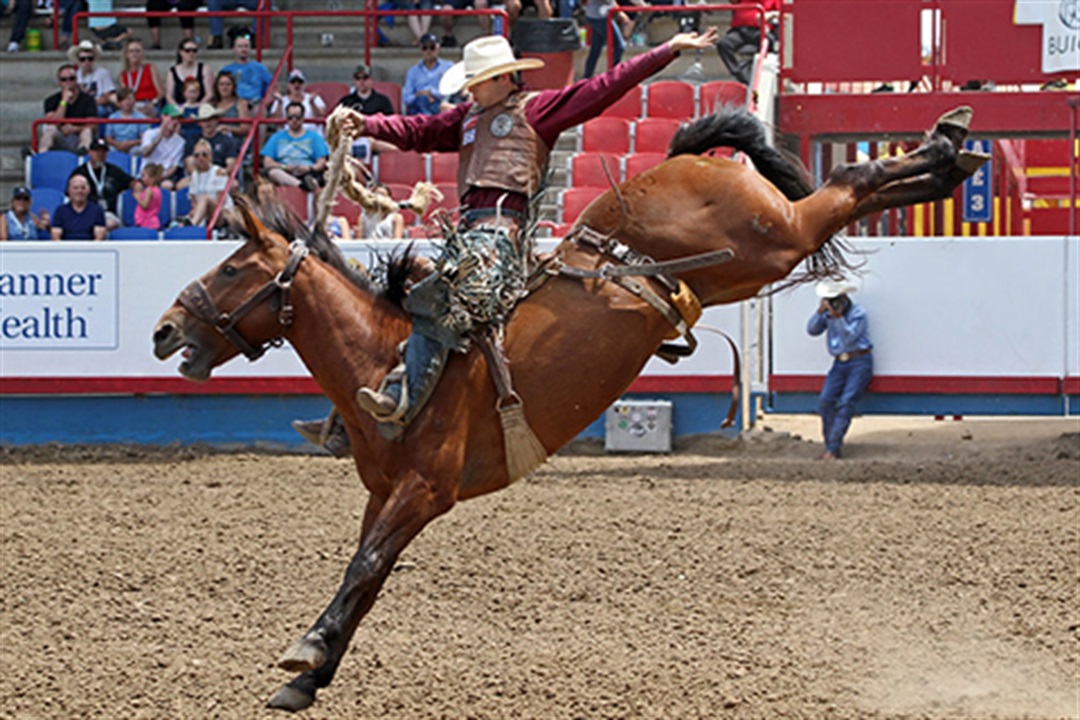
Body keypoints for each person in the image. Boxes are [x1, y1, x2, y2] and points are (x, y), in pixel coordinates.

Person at [294, 28, 718, 452]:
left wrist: (664, 51)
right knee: (401, 297)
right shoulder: (466, 119)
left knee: (434, 297)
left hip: (500, 238)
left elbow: (602, 88)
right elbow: (417, 129)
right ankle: (349, 419)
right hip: (469, 239)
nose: (470, 91)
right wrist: (366, 123)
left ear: (501, 79)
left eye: (476, 82)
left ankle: (394, 403)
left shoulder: (538, 110)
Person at [806, 278, 873, 460]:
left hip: (859, 360)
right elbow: (812, 330)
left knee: (846, 402)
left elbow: (849, 338)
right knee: (826, 400)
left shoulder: (858, 312)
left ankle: (832, 448)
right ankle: (831, 446)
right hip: (840, 362)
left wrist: (838, 318)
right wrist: (820, 312)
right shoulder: (828, 313)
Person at [261, 101, 330, 191]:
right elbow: (267, 162)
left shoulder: (315, 137)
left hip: (308, 172)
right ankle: (302, 185)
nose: (294, 120)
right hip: (285, 172)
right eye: (290, 117)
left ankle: (307, 184)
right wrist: (284, 167)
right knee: (274, 173)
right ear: (286, 118)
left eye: (297, 117)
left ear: (303, 118)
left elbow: (321, 162)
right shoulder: (276, 137)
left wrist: (309, 168)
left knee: (321, 177)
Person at [69, 137, 131, 229]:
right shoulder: (80, 172)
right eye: (97, 151)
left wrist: (136, 186)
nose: (100, 154)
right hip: (85, 213)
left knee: (110, 223)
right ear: (90, 152)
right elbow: (70, 194)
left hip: (108, 214)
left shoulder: (113, 171)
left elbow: (131, 182)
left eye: (103, 152)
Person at [715, 0, 778, 85]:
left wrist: (769, 15)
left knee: (769, 42)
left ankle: (764, 75)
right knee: (723, 44)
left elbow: (784, 14)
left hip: (759, 30)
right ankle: (741, 75)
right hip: (739, 30)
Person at [39, 63, 97, 153]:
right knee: (50, 130)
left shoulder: (88, 99)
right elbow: (53, 122)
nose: (68, 82)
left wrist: (74, 129)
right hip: (59, 136)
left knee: (87, 132)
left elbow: (93, 125)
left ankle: (83, 155)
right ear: (59, 82)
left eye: (71, 79)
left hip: (78, 136)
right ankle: (42, 155)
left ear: (76, 80)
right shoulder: (51, 100)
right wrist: (64, 101)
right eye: (64, 79)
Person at [180, 103, 238, 179]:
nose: (207, 123)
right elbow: (189, 163)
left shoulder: (227, 140)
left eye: (210, 119)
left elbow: (231, 163)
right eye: (204, 120)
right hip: (198, 175)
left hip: (219, 176)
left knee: (234, 185)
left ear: (216, 120)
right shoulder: (192, 140)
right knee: (181, 185)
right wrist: (198, 176)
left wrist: (223, 172)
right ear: (199, 123)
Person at [401, 33, 452, 116]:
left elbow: (450, 90)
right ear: (421, 50)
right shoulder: (413, 71)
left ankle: (427, 123)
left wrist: (431, 93)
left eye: (432, 47)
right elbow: (407, 98)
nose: (428, 51)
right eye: (425, 48)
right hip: (418, 106)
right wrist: (419, 95)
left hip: (439, 105)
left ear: (438, 48)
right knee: (421, 100)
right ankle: (429, 123)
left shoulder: (447, 67)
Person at [136, 105, 186, 188]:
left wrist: (159, 177)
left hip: (165, 176)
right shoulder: (150, 133)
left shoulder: (180, 142)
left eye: (178, 119)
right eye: (173, 118)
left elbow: (174, 167)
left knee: (167, 185)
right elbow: (145, 153)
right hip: (146, 174)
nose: (175, 122)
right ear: (163, 117)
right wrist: (159, 137)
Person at [269, 68, 327, 137]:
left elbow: (321, 117)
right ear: (288, 85)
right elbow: (275, 122)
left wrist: (312, 103)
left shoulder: (315, 98)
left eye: (300, 82)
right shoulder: (280, 100)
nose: (296, 85)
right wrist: (280, 103)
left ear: (304, 84)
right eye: (293, 82)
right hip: (287, 139)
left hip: (312, 137)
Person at [185, 138, 231, 226]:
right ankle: (193, 224)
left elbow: (220, 201)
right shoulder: (194, 175)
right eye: (197, 155)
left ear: (211, 156)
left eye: (204, 155)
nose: (200, 158)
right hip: (204, 216)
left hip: (222, 213)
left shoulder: (218, 172)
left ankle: (192, 225)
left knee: (204, 198)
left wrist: (203, 209)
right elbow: (194, 201)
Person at [220, 33, 272, 107]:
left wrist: (269, 97)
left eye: (246, 46)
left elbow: (273, 86)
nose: (243, 49)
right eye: (240, 46)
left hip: (255, 103)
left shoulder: (260, 68)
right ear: (234, 48)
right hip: (234, 104)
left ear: (250, 48)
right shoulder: (226, 70)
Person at [118, 37, 165, 117]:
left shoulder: (150, 69)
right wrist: (134, 108)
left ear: (142, 54)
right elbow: (124, 97)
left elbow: (161, 92)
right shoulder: (123, 75)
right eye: (131, 51)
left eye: (137, 51)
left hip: (150, 104)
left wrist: (152, 103)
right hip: (133, 106)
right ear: (127, 55)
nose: (134, 54)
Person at [68, 39, 117, 115]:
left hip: (99, 106)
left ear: (94, 60)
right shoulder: (75, 75)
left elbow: (108, 97)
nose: (86, 62)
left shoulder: (103, 73)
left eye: (90, 58)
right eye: (82, 59)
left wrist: (89, 104)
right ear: (78, 61)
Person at [52, 174, 107, 240]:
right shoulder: (60, 211)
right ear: (69, 191)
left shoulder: (97, 210)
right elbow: (55, 236)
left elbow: (99, 237)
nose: (79, 191)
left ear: (88, 190)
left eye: (83, 188)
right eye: (75, 188)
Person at [164, 37, 213, 107]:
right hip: (179, 108)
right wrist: (178, 109)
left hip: (201, 108)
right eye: (187, 50)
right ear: (180, 52)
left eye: (194, 50)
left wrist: (198, 106)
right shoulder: (172, 71)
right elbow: (169, 96)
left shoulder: (204, 68)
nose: (191, 53)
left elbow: (210, 94)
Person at [104, 87, 148, 154]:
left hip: (134, 146)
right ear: (119, 103)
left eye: (130, 99)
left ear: (134, 101)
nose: (127, 102)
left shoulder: (141, 118)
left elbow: (144, 138)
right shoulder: (112, 118)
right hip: (116, 146)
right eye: (124, 99)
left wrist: (130, 143)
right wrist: (118, 144)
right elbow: (108, 138)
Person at [208, 69, 251, 136]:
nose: (225, 87)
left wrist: (228, 128)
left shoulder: (241, 103)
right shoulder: (211, 105)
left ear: (233, 87)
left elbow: (246, 128)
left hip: (235, 140)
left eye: (228, 84)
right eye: (221, 84)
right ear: (217, 87)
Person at [131, 161, 164, 229]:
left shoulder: (149, 190)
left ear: (152, 178)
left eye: (144, 176)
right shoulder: (157, 190)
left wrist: (137, 197)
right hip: (152, 222)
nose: (142, 178)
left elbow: (145, 205)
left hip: (146, 223)